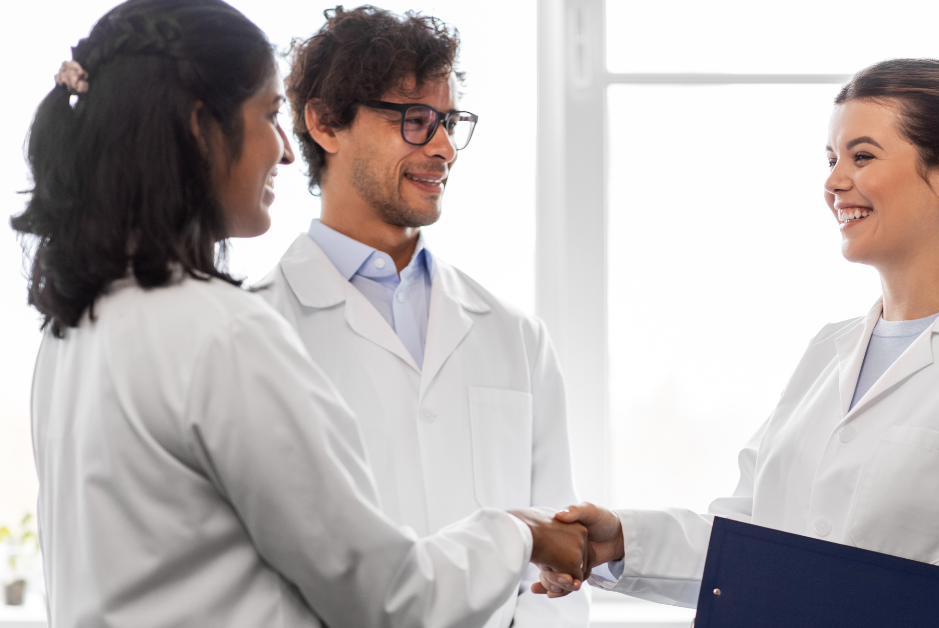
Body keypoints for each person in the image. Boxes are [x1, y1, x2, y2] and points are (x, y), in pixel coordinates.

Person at [13, 1, 587, 626]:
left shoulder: (70, 330)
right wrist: (520, 533)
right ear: (202, 129)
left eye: (448, 121)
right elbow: (389, 596)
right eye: (267, 116)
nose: (283, 150)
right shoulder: (229, 332)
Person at [536, 59, 939, 626]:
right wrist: (620, 541)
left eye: (862, 156)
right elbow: (754, 550)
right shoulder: (827, 353)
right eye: (832, 158)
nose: (834, 181)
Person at [253, 7, 589, 628]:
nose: (443, 148)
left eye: (450, 122)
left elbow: (561, 569)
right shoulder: (254, 332)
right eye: (414, 120)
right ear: (325, 123)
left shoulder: (515, 337)